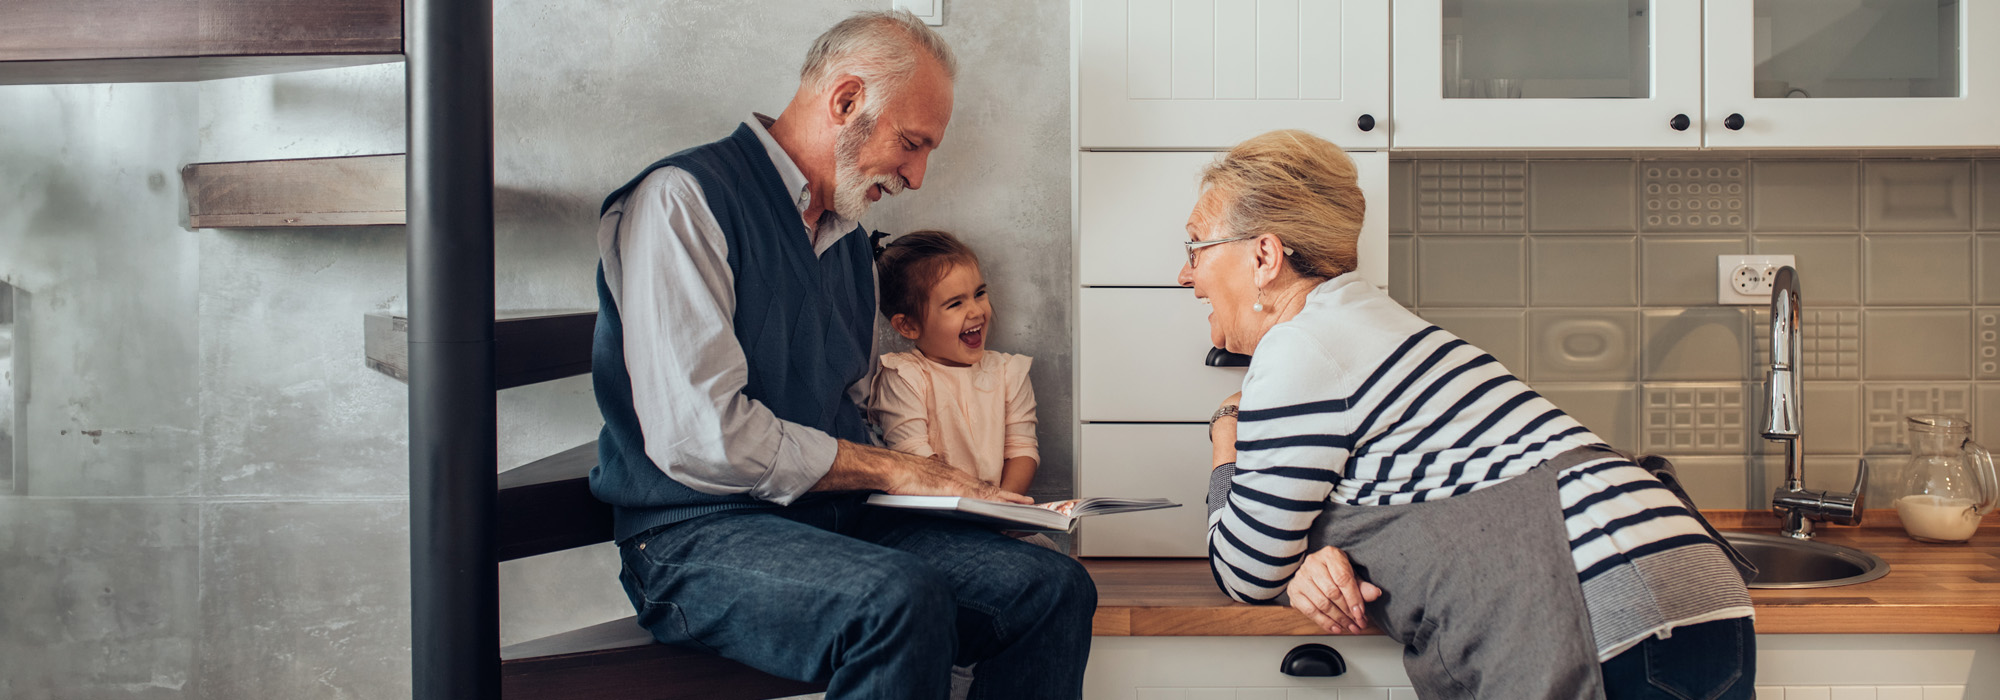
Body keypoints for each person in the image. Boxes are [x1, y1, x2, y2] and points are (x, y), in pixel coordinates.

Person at [587, 12, 1095, 699]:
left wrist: (967, 501)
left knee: (1052, 586)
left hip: (832, 522)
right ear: (847, 100)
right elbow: (701, 437)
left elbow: (847, 409)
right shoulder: (683, 200)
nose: (917, 176)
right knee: (897, 599)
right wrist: (900, 469)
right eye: (912, 144)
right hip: (692, 541)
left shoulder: (852, 242)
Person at [1186, 130, 1756, 699]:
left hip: (1594, 608)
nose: (1186, 276)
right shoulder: (1376, 324)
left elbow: (1246, 570)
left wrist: (1225, 432)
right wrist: (1306, 561)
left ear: (1264, 255)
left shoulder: (1301, 346)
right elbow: (1384, 497)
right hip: (1694, 587)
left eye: (1196, 247)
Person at [869, 230, 1041, 496]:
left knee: (1040, 541)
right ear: (909, 325)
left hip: (998, 509)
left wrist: (1004, 506)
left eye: (979, 293)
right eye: (955, 304)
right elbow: (916, 459)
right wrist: (982, 501)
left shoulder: (1009, 373)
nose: (976, 311)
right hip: (934, 512)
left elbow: (1022, 450)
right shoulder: (904, 376)